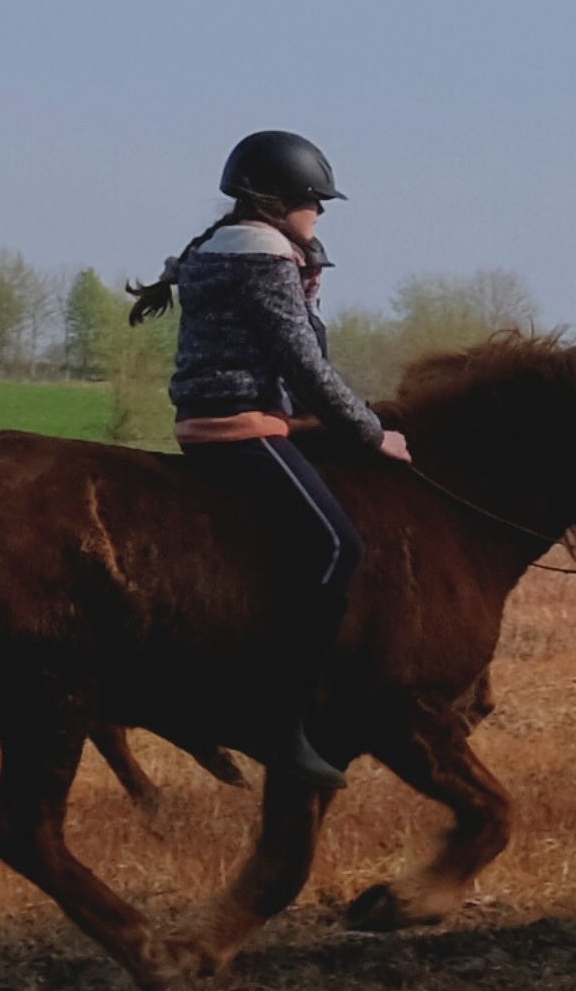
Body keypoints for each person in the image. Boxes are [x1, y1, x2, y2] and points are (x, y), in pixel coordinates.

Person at [128, 130, 408, 792]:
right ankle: (279, 717)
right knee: (338, 545)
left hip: (240, 415)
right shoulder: (262, 256)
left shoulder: (223, 248)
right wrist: (372, 434)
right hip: (240, 424)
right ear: (280, 201)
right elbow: (302, 363)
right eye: (316, 202)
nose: (321, 215)